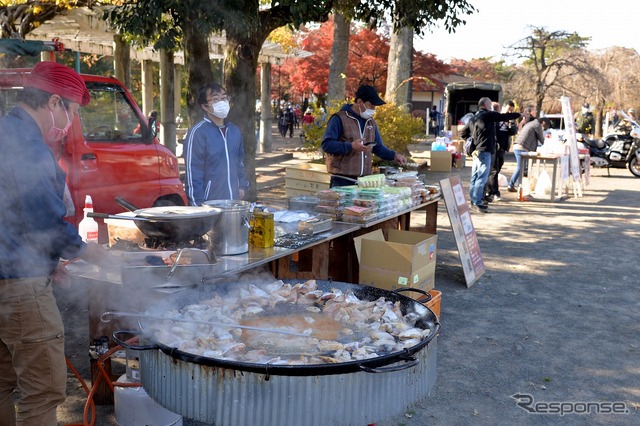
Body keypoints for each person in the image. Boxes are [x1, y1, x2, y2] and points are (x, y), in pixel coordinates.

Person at [0, 61, 115, 426]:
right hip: (19, 289)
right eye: (72, 112)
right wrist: (91, 253)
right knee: (43, 391)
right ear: (53, 103)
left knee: (1, 383)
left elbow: (14, 216)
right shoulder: (29, 147)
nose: (70, 124)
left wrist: (48, 261)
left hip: (8, 275)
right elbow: (45, 224)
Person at [321, 84, 407, 187]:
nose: (373, 109)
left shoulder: (371, 122)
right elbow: (327, 145)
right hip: (342, 181)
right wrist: (350, 146)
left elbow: (378, 147)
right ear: (359, 102)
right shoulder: (339, 118)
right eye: (371, 106)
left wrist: (394, 155)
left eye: (375, 107)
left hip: (364, 182)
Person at [184, 83, 249, 204]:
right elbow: (193, 173)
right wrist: (198, 208)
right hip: (209, 205)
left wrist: (242, 186)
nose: (222, 102)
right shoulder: (198, 133)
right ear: (205, 106)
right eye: (215, 99)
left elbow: (239, 162)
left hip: (233, 202)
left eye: (224, 98)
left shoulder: (234, 131)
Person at [460, 97, 520, 212]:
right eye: (490, 105)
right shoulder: (488, 115)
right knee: (481, 177)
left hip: (476, 151)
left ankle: (473, 201)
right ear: (486, 105)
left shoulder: (473, 117)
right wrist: (518, 114)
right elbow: (504, 117)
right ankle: (477, 202)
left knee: (475, 177)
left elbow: (463, 132)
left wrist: (471, 140)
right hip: (485, 151)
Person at [484, 100, 517, 203]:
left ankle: (489, 191)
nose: (509, 112)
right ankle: (494, 192)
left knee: (497, 170)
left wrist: (511, 123)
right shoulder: (496, 117)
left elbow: (513, 132)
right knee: (494, 170)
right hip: (494, 147)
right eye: (508, 109)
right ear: (504, 107)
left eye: (511, 110)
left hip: (503, 147)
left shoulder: (509, 119)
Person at [508, 117, 551, 192]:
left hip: (519, 146)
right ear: (543, 122)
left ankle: (519, 186)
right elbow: (541, 138)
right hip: (521, 147)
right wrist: (548, 145)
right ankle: (512, 185)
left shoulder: (531, 123)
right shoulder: (537, 125)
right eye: (545, 126)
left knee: (522, 167)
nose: (543, 128)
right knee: (520, 168)